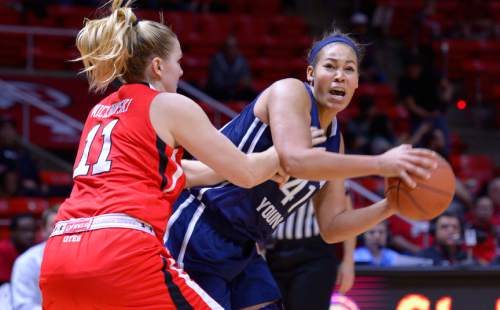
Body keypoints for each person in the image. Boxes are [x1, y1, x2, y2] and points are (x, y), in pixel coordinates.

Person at [165, 29, 437, 309]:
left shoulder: (335, 140)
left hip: (245, 246)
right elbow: (295, 159)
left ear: (356, 83)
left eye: (349, 69)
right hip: (201, 224)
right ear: (310, 73)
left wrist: (390, 206)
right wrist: (380, 163)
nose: (339, 75)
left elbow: (332, 227)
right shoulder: (290, 91)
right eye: (330, 66)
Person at [39, 1, 285, 309]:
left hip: (60, 252)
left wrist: (241, 167)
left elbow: (181, 172)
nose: (181, 70)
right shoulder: (170, 105)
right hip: (120, 249)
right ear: (157, 66)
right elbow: (246, 173)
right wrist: (285, 153)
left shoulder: (99, 111)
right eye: (178, 61)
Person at [265, 192, 355, 310]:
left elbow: (346, 211)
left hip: (314, 253)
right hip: (273, 252)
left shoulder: (328, 174)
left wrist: (348, 260)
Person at [11, 205, 58, 310]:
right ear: (43, 230)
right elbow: (23, 306)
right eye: (54, 225)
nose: (60, 230)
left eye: (64, 225)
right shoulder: (26, 262)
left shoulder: (84, 257)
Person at [206, 35, 256, 101]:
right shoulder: (217, 60)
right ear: (225, 48)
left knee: (251, 94)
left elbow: (246, 80)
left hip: (237, 93)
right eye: (230, 47)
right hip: (220, 94)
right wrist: (237, 83)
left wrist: (243, 83)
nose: (232, 50)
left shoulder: (242, 61)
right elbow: (217, 83)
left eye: (234, 47)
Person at [0, 213, 37, 285]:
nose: (30, 235)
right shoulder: (3, 250)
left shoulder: (37, 249)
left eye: (33, 230)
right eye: (24, 230)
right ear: (13, 232)